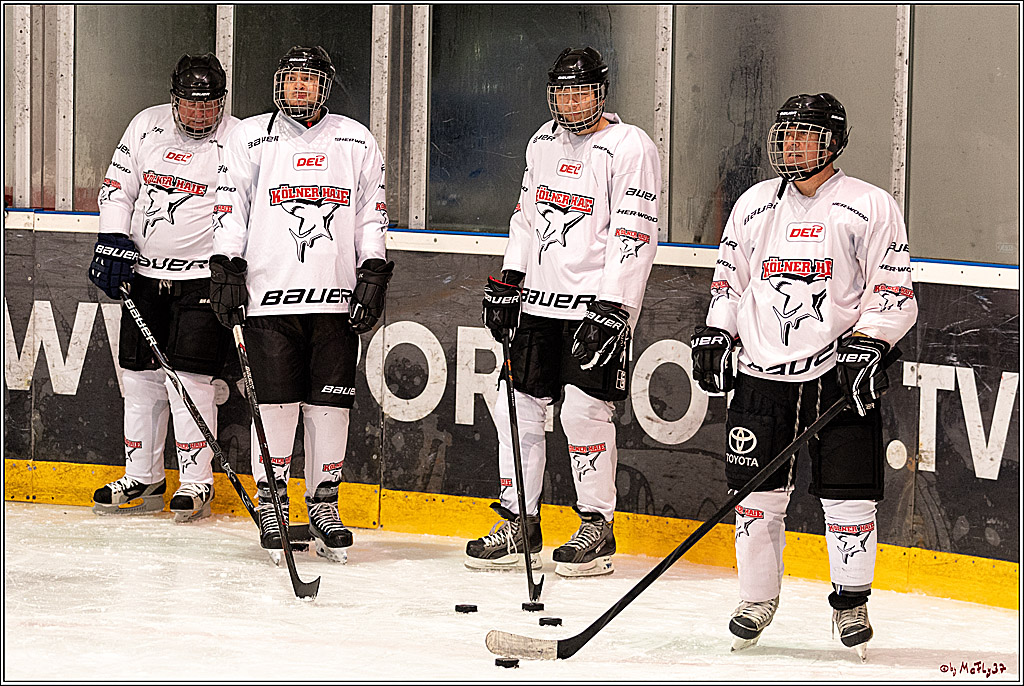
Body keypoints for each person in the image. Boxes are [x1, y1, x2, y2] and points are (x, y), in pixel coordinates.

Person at [690, 93, 918, 658]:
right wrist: (719, 330)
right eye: (785, 135)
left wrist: (871, 341)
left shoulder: (869, 205)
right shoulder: (753, 204)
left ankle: (851, 601)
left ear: (833, 143)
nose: (790, 146)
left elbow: (893, 291)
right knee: (754, 498)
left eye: (804, 136)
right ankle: (756, 598)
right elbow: (729, 281)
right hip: (760, 375)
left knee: (848, 498)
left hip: (838, 375)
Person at [465, 47, 660, 578]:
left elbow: (635, 231)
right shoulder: (542, 142)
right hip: (540, 302)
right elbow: (526, 218)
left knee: (582, 412)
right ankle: (519, 521)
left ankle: (597, 524)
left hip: (597, 306)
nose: (571, 102)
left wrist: (615, 306)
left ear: (601, 93)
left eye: (581, 92)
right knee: (515, 404)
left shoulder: (629, 146)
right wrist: (511, 278)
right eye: (563, 92)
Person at [208, 46, 392, 563]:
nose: (299, 87)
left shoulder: (355, 139)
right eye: (291, 79)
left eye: (309, 80)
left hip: (336, 301)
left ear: (324, 87)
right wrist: (226, 265)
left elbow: (370, 213)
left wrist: (373, 269)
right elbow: (231, 205)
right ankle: (273, 505)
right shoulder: (250, 136)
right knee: (275, 406)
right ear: (279, 84)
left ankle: (323, 505)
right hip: (269, 300)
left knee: (331, 408)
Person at [89, 53, 237, 523]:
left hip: (200, 280)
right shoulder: (145, 125)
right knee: (138, 379)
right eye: (191, 104)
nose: (200, 113)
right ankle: (143, 476)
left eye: (209, 105)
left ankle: (196, 482)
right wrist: (113, 238)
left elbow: (244, 208)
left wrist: (233, 265)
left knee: (190, 381)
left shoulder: (238, 140)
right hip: (144, 276)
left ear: (222, 102)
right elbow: (118, 188)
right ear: (174, 99)